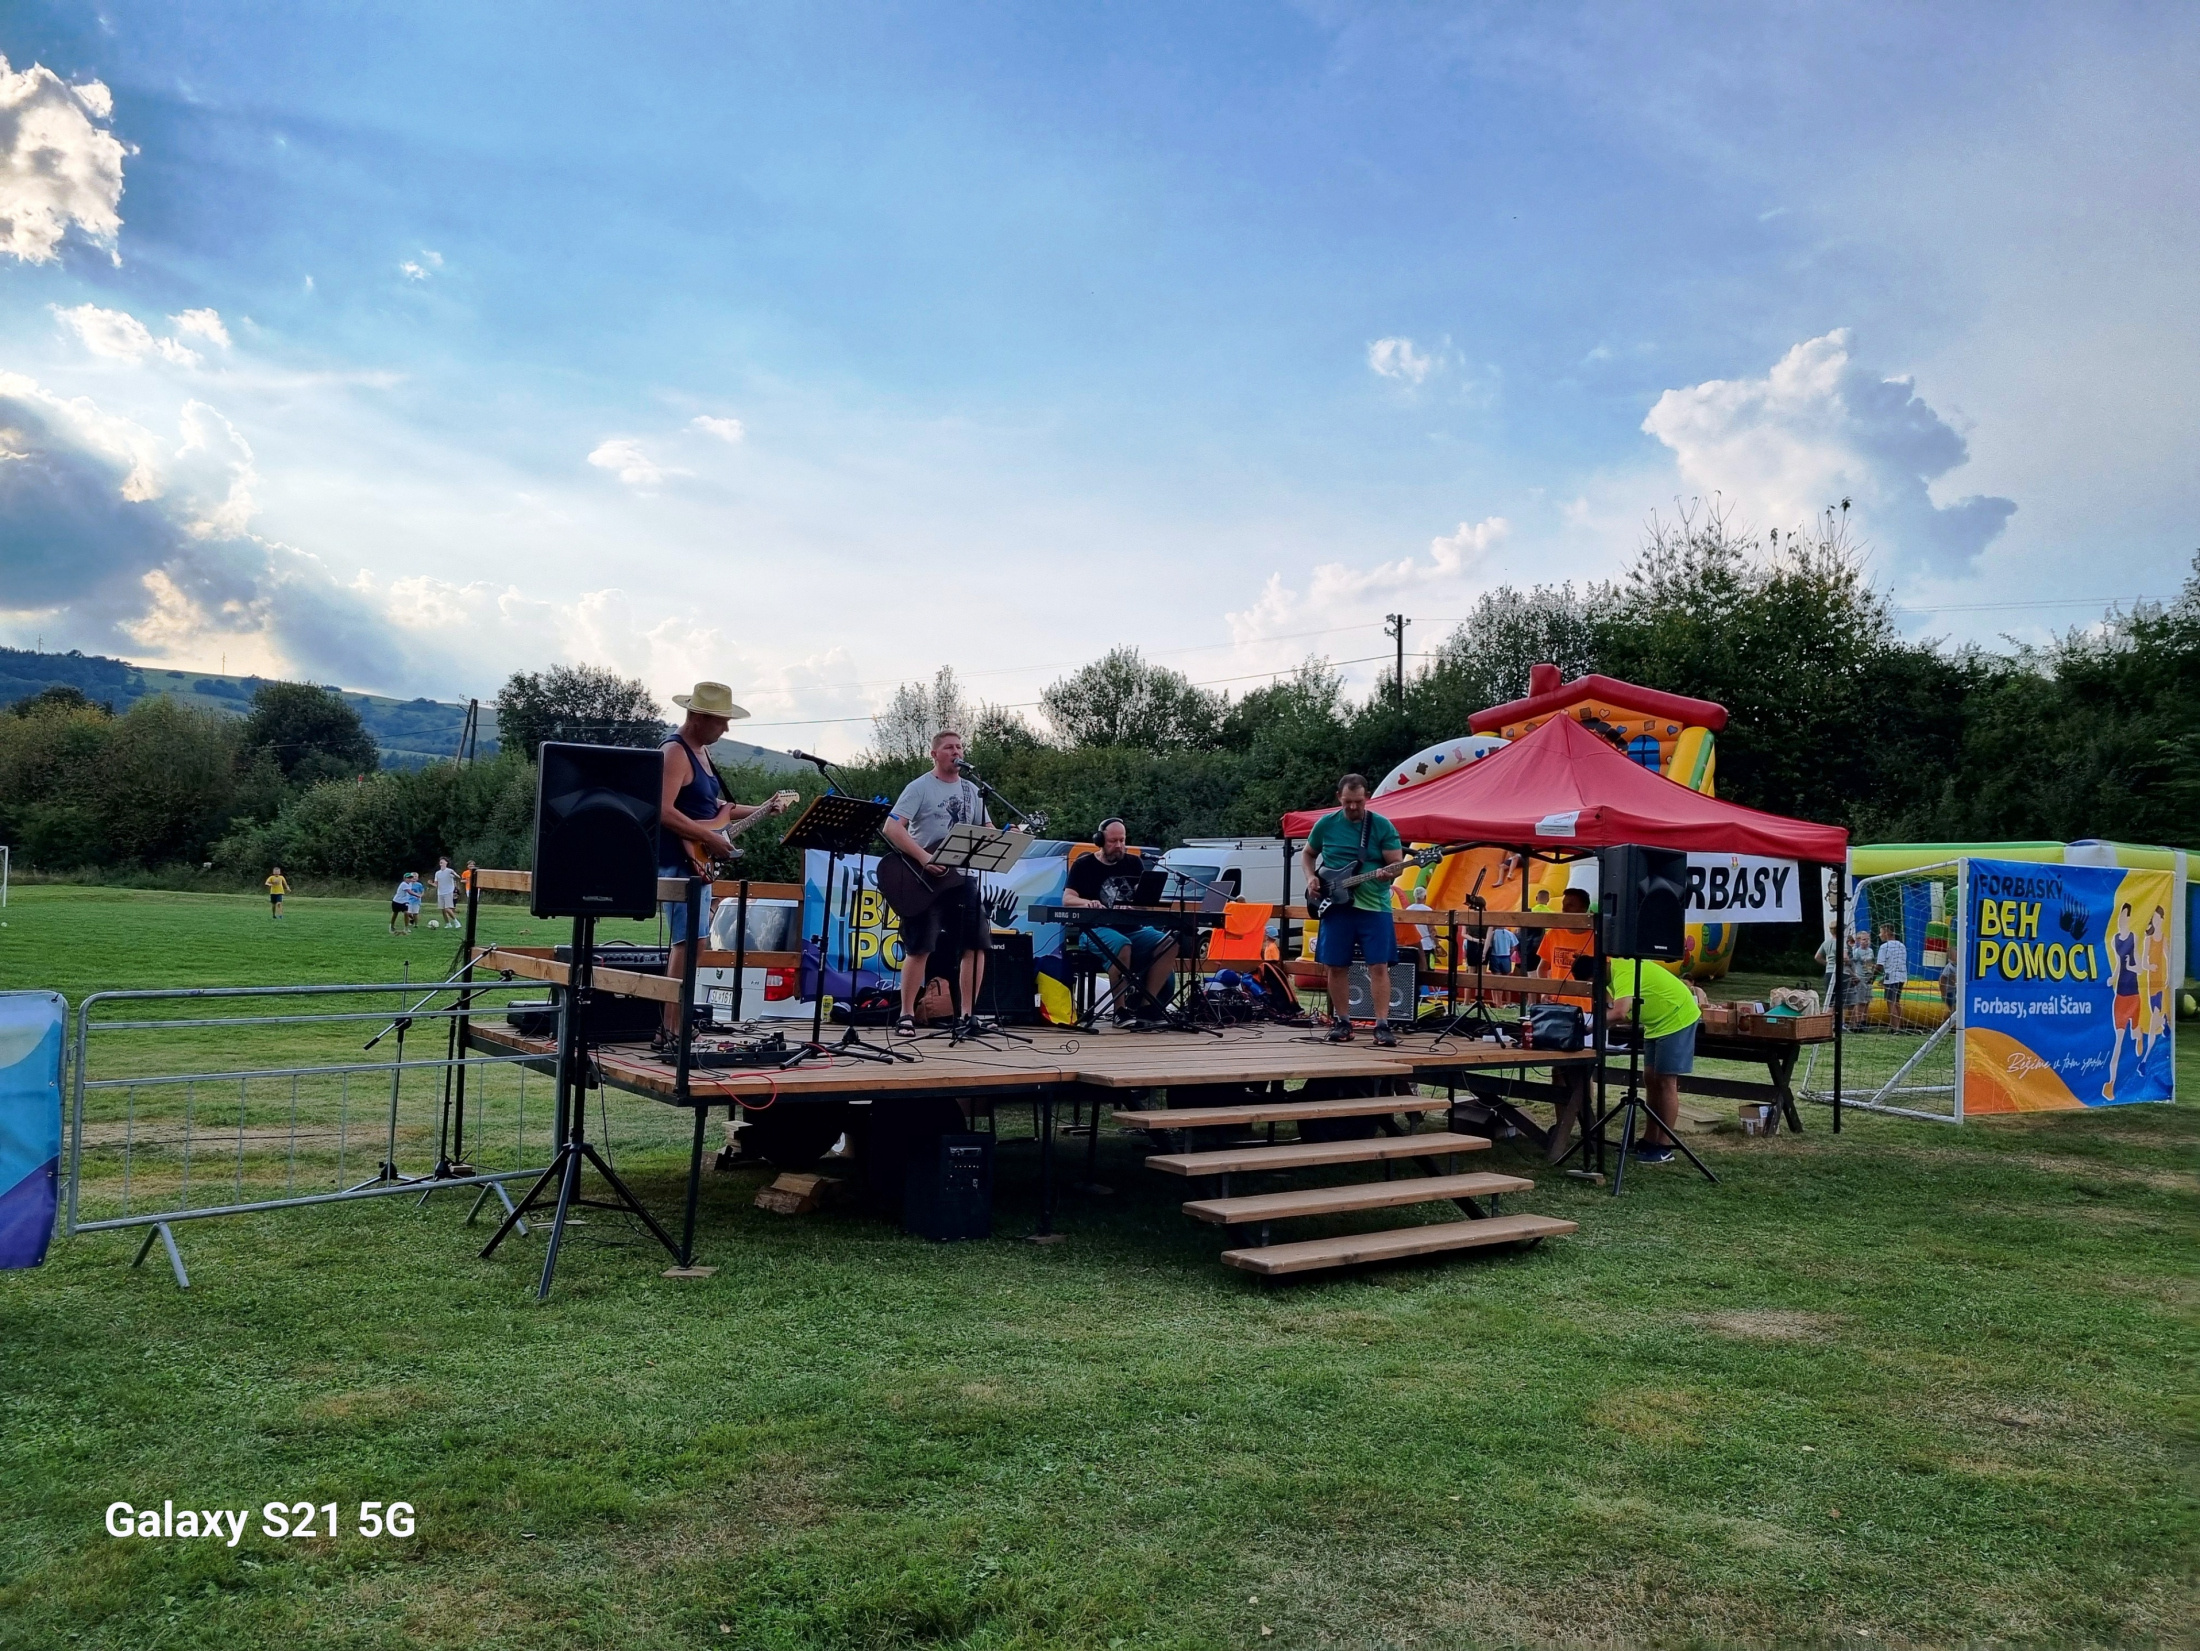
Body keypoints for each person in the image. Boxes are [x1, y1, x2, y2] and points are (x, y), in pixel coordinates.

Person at [655, 681, 791, 1043]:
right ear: (698, 717)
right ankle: (670, 1029)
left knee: (696, 943)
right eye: (721, 720)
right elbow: (662, 810)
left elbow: (713, 808)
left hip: (697, 862)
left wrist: (762, 808)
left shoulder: (701, 753)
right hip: (679, 861)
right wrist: (710, 838)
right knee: (686, 945)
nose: (727, 728)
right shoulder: (675, 752)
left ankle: (677, 1025)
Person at [880, 730, 996, 1035]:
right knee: (920, 946)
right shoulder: (919, 787)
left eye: (959, 746)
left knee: (976, 944)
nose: (956, 752)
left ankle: (968, 1015)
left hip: (963, 878)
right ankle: (906, 1014)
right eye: (948, 747)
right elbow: (892, 827)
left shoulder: (972, 790)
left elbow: (986, 828)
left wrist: (1008, 834)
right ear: (934, 754)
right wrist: (923, 857)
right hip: (925, 879)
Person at [1301, 773, 1407, 1046]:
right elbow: (1308, 853)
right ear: (1339, 797)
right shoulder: (1326, 824)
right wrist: (1311, 878)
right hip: (1335, 906)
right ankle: (1343, 1022)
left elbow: (1396, 863)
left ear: (1367, 797)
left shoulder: (1381, 825)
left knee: (1379, 965)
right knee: (1336, 965)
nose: (1352, 807)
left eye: (1358, 802)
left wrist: (1389, 873)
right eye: (1347, 801)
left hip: (1374, 905)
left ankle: (1382, 1025)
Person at [1588, 950, 1703, 1163]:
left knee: (1666, 1081)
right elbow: (1621, 1014)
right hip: (1656, 1023)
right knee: (1650, 1078)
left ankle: (1664, 1146)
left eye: (1592, 982)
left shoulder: (1624, 969)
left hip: (1677, 1017)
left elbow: (1620, 1013)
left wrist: (1589, 1026)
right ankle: (1650, 1140)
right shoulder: (1610, 978)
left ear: (1597, 972)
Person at [1062, 819, 1178, 1022]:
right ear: (1100, 841)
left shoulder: (1133, 863)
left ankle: (1147, 1007)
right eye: (1113, 841)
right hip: (1095, 929)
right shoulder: (1084, 865)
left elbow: (1142, 902)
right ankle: (1120, 1011)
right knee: (1122, 944)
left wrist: (1134, 904)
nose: (1118, 845)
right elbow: (1067, 899)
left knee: (1169, 943)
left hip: (1132, 928)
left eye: (1122, 840)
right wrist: (1088, 902)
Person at [2103, 901, 2140, 1099]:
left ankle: (2139, 1037)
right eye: (2119, 917)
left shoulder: (2134, 938)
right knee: (2118, 1042)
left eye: (2124, 917)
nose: (2121, 920)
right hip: (2120, 996)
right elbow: (2118, 964)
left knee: (2135, 1034)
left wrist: (2133, 967)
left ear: (2129, 918)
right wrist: (2113, 977)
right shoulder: (2115, 940)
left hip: (2134, 995)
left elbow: (2139, 967)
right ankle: (2111, 1084)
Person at [1539, 888, 1594, 982]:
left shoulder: (1597, 938)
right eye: (1563, 904)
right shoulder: (1553, 933)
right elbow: (1542, 968)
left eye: (1570, 905)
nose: (1564, 908)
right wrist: (1546, 989)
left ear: (1583, 909)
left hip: (1585, 991)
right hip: (1557, 992)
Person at [1874, 924, 1908, 1030]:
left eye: (1881, 932)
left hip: (1892, 978)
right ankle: (1900, 1026)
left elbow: (1880, 966)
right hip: (1902, 976)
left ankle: (1895, 1027)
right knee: (1896, 1002)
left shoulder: (1884, 947)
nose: (1879, 935)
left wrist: (1872, 977)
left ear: (1886, 933)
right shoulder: (1901, 945)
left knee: (1891, 1002)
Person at [432, 857, 459, 928]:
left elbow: (458, 877)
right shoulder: (437, 873)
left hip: (448, 892)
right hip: (440, 892)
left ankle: (456, 922)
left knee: (447, 908)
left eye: (443, 861)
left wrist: (454, 874)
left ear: (446, 863)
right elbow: (436, 884)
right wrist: (431, 884)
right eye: (440, 861)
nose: (441, 862)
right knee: (443, 910)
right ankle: (448, 924)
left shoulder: (449, 871)